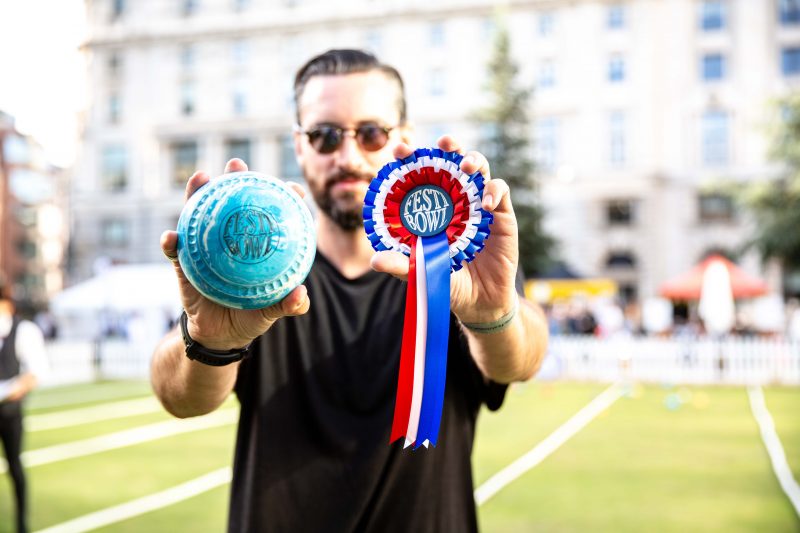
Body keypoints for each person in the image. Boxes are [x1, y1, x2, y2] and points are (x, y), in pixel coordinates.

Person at [152, 49, 549, 532]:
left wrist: (491, 313)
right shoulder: (249, 274)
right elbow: (180, 397)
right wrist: (211, 343)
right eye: (324, 136)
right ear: (299, 146)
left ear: (403, 137)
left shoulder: (459, 260)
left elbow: (519, 361)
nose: (348, 156)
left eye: (371, 133)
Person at [0, 284, 47, 533]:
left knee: (14, 466)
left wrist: (8, 393)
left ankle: (21, 524)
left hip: (9, 412)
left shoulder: (24, 330)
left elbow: (33, 373)